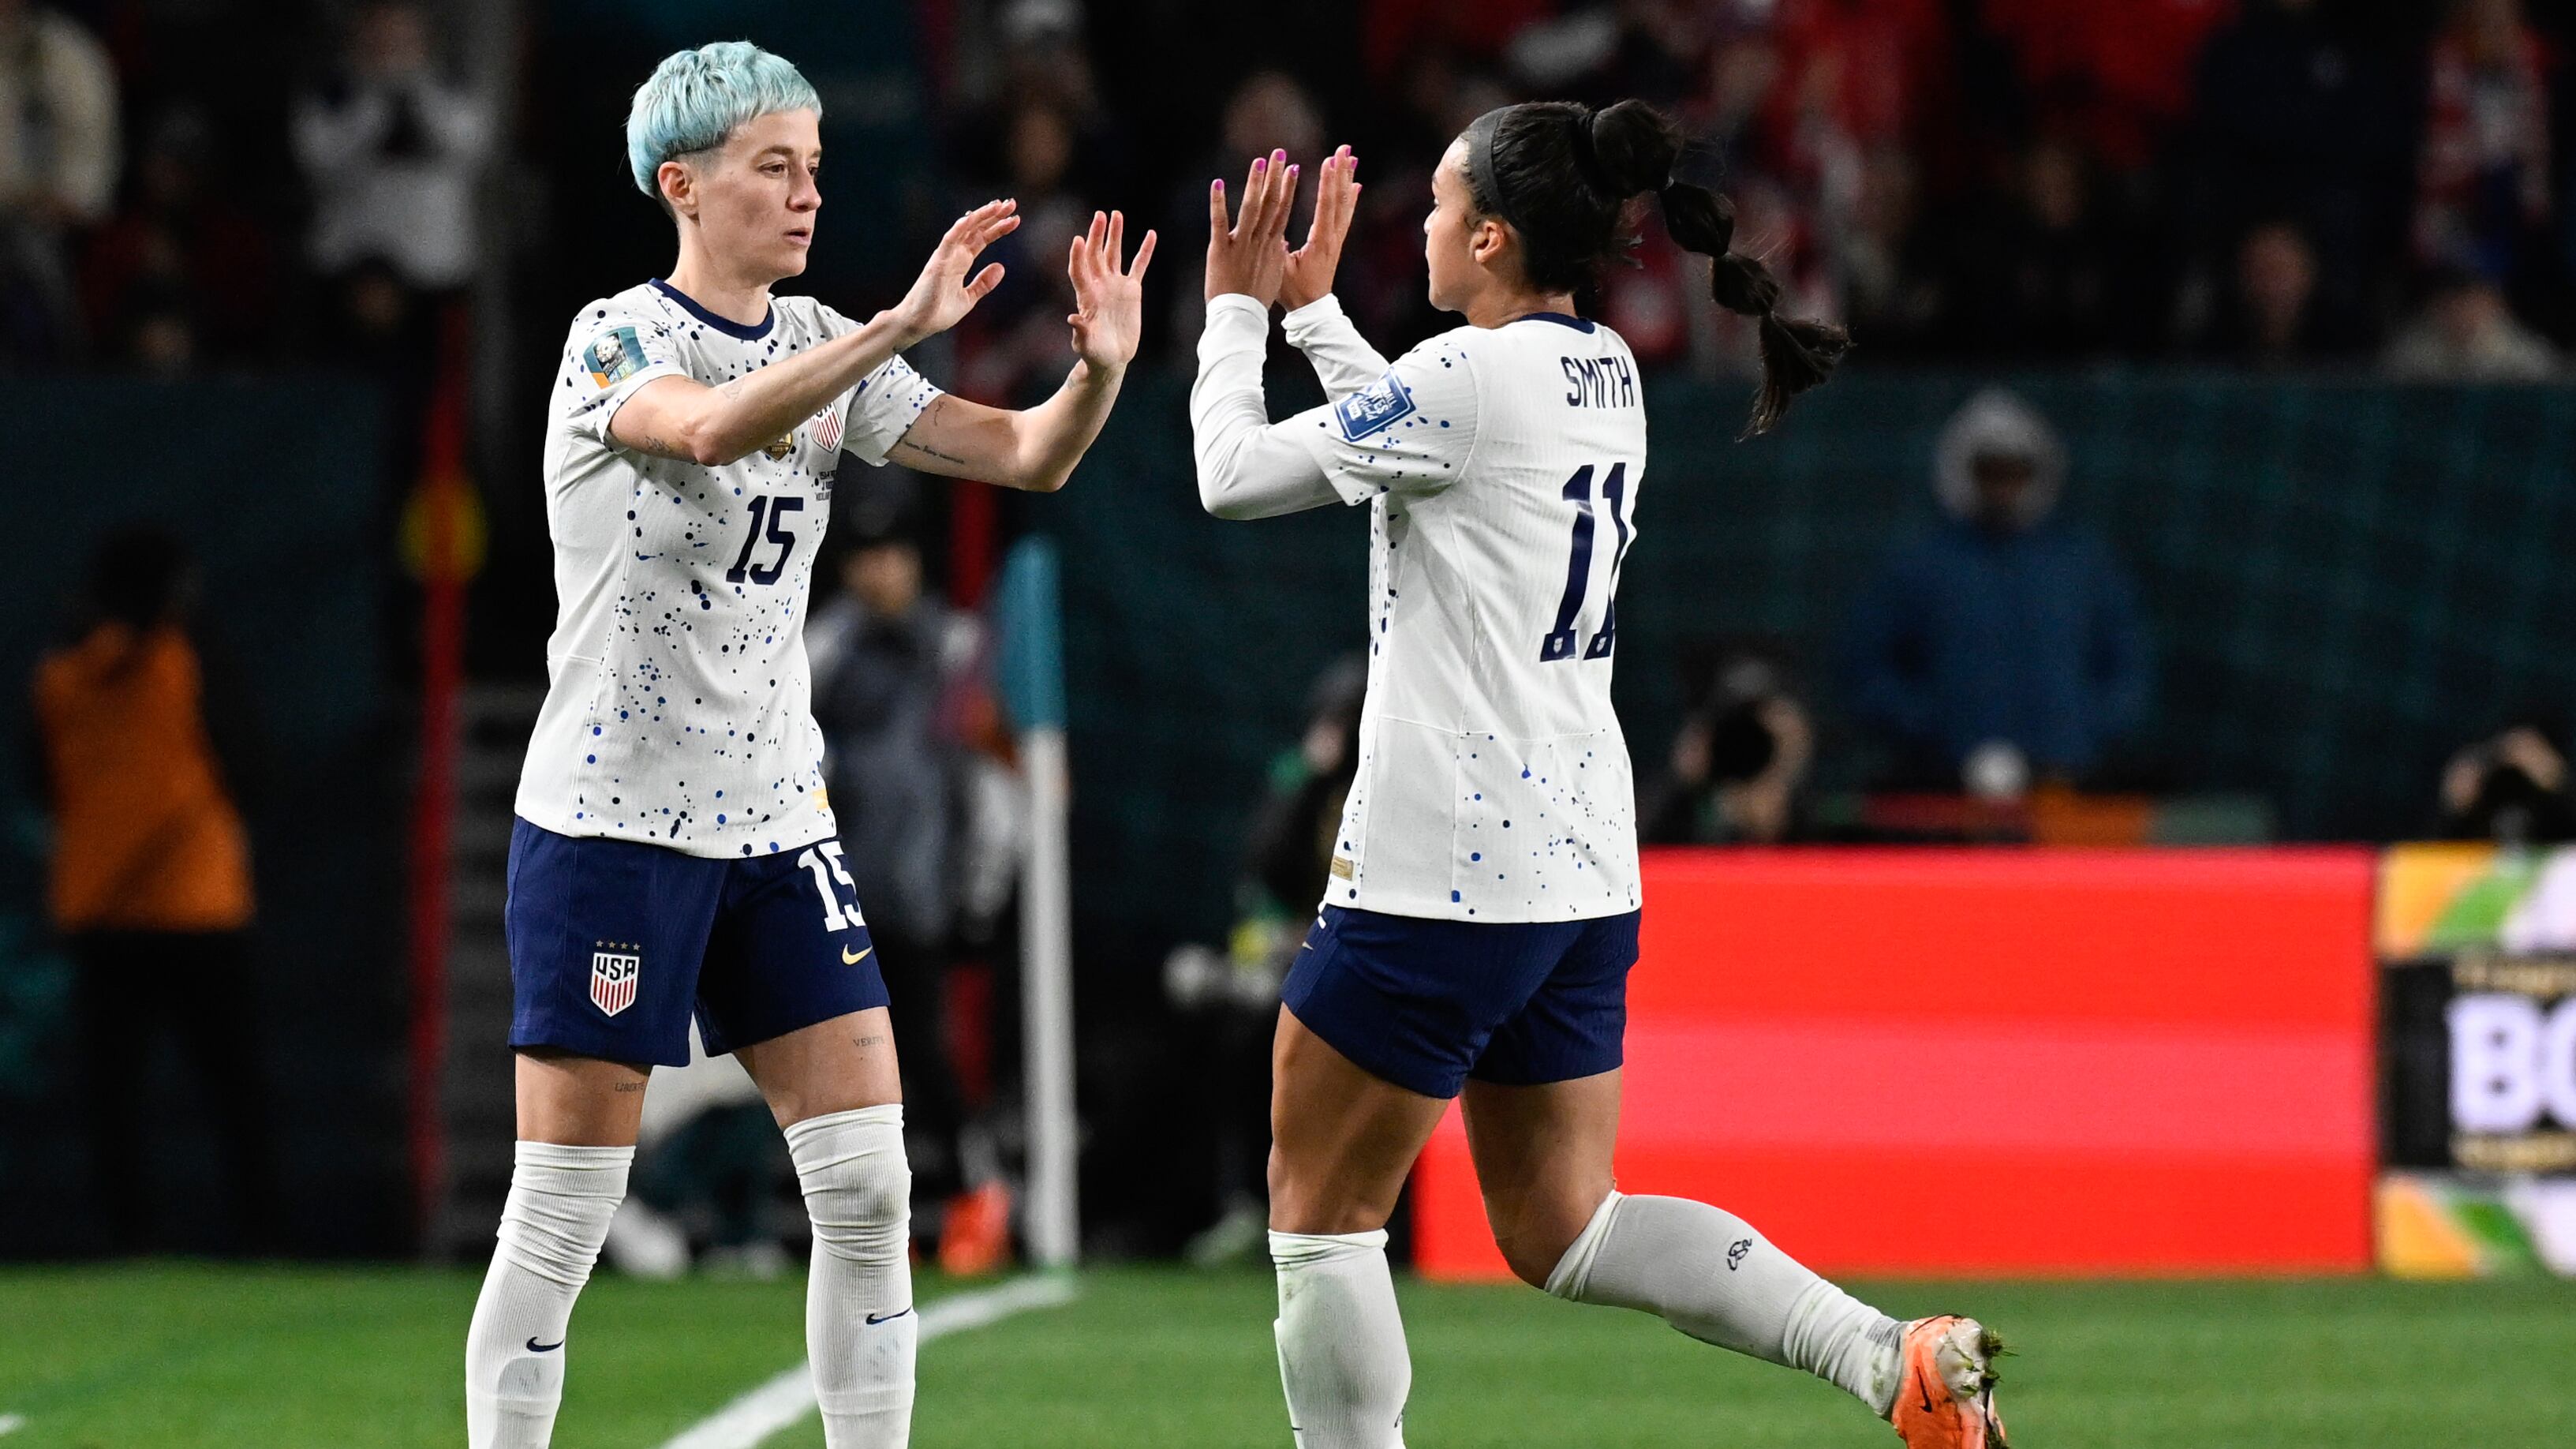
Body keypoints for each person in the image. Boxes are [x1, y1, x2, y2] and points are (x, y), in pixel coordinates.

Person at [1189, 103, 2006, 1447]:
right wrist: (1319, 318)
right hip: (1574, 872)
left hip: (1436, 871)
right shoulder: (1603, 369)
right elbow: (1434, 430)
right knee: (1568, 1224)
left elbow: (1234, 473)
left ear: (1495, 237)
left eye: (1445, 209)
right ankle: (1885, 1357)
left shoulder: (1464, 381)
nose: (1429, 227)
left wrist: (1234, 315)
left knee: (1320, 1213)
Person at [464, 42, 1152, 1449]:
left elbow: (1026, 455)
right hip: (615, 821)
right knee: (564, 1213)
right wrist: (891, 331)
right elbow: (709, 432)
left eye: (816, 169)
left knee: (871, 1187)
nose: (805, 194)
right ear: (684, 184)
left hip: (779, 820)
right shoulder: (618, 336)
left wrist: (1099, 372)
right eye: (774, 166)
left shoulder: (819, 341)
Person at [32, 526, 274, 1254]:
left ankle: (127, 1239)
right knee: (230, 1083)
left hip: (102, 908)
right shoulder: (187, 659)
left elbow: (38, 784)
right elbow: (249, 763)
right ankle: (262, 1235)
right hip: (197, 904)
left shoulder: (60, 675)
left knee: (115, 1092)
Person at [1843, 388, 2148, 795]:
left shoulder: (2081, 562)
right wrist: (1929, 729)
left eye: (2015, 471)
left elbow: (2128, 661)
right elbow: (1867, 665)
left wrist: (2083, 729)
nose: (2003, 486)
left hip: (2063, 781)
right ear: (1963, 472)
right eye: (1989, 471)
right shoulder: (1920, 564)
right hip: (1948, 783)